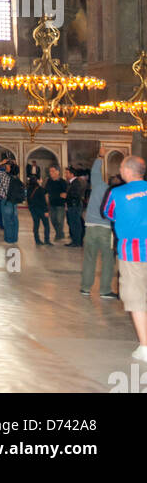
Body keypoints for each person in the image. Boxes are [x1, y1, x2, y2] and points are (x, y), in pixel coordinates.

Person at [104, 155, 147, 362]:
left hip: (132, 252)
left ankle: (145, 347)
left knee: (136, 298)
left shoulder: (117, 193)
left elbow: (109, 214)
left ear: (128, 171)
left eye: (121, 167)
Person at [81, 155, 116, 299]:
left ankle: (85, 288)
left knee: (89, 258)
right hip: (106, 229)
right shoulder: (117, 193)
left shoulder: (98, 185)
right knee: (108, 260)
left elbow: (94, 171)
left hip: (90, 227)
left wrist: (100, 157)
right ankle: (105, 290)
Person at [0, 162, 24, 244]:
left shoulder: (4, 176)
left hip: (6, 201)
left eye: (8, 166)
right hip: (14, 202)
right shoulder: (17, 178)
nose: (6, 167)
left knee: (7, 220)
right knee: (14, 220)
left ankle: (9, 239)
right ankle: (14, 238)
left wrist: (1, 163)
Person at [45, 164, 68, 242]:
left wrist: (61, 196)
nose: (51, 173)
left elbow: (65, 194)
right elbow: (47, 192)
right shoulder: (49, 181)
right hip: (52, 204)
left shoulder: (62, 182)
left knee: (59, 220)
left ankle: (58, 235)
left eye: (53, 171)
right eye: (50, 171)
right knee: (53, 220)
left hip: (60, 205)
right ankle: (60, 233)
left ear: (58, 172)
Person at [27, 176, 51, 246]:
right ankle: (47, 240)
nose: (41, 180)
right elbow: (44, 201)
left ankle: (37, 240)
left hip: (33, 210)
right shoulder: (41, 189)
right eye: (40, 179)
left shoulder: (29, 189)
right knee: (46, 225)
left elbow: (28, 200)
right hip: (42, 210)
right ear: (37, 181)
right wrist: (46, 210)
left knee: (36, 225)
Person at [65, 166, 86, 247]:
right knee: (72, 223)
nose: (65, 175)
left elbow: (76, 194)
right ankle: (75, 240)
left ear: (72, 174)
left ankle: (77, 242)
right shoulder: (71, 182)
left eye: (67, 173)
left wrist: (66, 196)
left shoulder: (76, 182)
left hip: (75, 205)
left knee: (75, 224)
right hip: (72, 205)